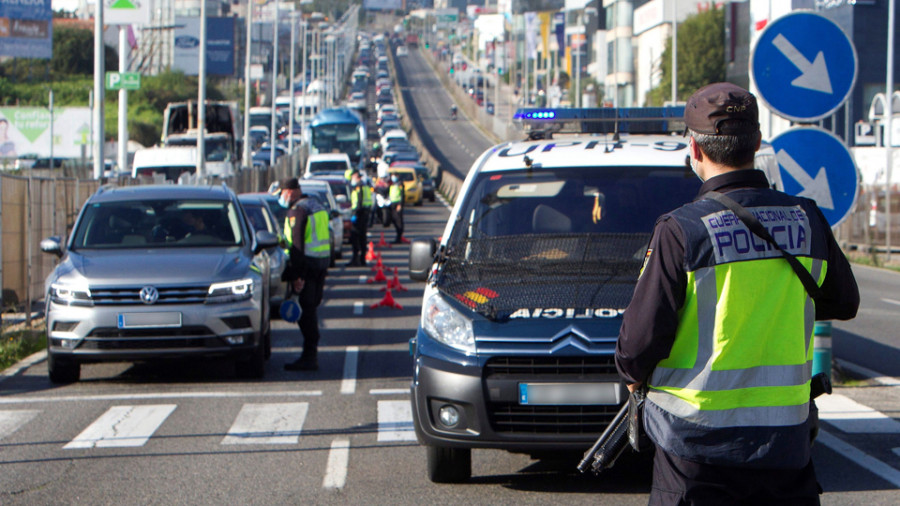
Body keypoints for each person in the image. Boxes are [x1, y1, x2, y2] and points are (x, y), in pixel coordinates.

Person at [615, 83, 859, 505]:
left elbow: (636, 348)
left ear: (694, 149)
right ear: (758, 142)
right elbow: (844, 302)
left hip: (695, 450)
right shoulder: (806, 219)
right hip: (785, 446)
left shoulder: (682, 230)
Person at [278, 178, 331, 371]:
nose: (280, 198)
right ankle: (310, 354)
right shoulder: (317, 206)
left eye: (281, 193)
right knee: (311, 309)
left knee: (306, 313)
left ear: (290, 192)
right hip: (321, 265)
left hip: (306, 267)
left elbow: (297, 245)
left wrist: (297, 275)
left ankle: (309, 357)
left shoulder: (297, 211)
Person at [346, 170, 372, 266]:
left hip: (360, 214)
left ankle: (356, 260)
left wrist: (355, 215)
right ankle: (362, 260)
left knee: (355, 237)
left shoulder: (359, 187)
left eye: (352, 176)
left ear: (356, 175)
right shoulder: (365, 185)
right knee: (362, 237)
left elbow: (359, 202)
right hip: (364, 214)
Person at [387, 173, 406, 244]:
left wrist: (400, 205)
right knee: (394, 220)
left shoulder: (400, 184)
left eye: (394, 176)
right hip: (392, 204)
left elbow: (402, 195)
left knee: (398, 221)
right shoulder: (392, 184)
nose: (393, 177)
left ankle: (399, 238)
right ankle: (398, 237)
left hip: (398, 204)